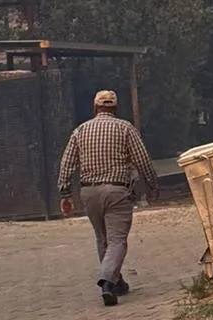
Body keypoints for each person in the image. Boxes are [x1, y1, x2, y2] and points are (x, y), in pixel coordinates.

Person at [58, 88, 158, 307]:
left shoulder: (80, 130)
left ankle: (117, 281)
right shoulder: (125, 128)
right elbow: (142, 160)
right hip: (117, 191)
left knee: (102, 238)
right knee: (117, 240)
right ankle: (107, 282)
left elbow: (67, 163)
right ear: (115, 108)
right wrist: (152, 185)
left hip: (89, 192)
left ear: (95, 107)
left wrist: (65, 193)